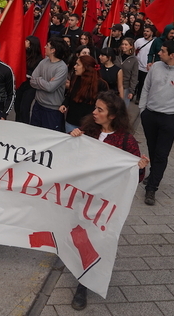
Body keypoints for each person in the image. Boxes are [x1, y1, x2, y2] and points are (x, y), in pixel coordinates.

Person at [68, 90, 149, 310]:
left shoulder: (126, 141)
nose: (94, 112)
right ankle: (80, 275)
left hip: (105, 201)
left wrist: (140, 168)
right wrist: (74, 139)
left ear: (112, 115)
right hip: (83, 196)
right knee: (80, 236)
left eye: (99, 110)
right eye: (95, 107)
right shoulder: (88, 131)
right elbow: (71, 158)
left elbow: (136, 178)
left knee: (95, 239)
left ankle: (83, 285)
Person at [139, 40, 174, 206]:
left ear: (172, 55)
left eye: (162, 51)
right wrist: (143, 110)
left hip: (169, 119)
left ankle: (152, 188)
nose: (159, 53)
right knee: (152, 148)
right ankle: (153, 173)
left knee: (162, 154)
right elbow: (146, 88)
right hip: (150, 116)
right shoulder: (156, 67)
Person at [30, 37, 69, 131]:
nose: (44, 47)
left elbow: (50, 88)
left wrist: (38, 80)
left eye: (47, 46)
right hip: (38, 106)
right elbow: (32, 81)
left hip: (52, 110)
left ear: (53, 50)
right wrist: (44, 81)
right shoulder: (43, 62)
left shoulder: (62, 68)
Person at [60, 55, 107, 133]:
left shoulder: (101, 84)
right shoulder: (75, 78)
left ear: (86, 67)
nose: (75, 67)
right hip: (71, 121)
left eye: (78, 64)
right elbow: (70, 94)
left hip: (89, 124)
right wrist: (64, 104)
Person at [14, 35, 43, 124]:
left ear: (32, 44)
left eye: (27, 41)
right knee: (17, 106)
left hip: (30, 86)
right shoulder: (23, 55)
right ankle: (17, 123)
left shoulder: (39, 59)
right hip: (21, 84)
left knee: (24, 108)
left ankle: (24, 125)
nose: (24, 42)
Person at [133, 25, 156, 102]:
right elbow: (133, 51)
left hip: (146, 68)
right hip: (137, 66)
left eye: (147, 31)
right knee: (134, 82)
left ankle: (139, 98)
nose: (145, 33)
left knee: (142, 84)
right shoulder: (139, 41)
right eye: (144, 31)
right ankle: (132, 94)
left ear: (152, 33)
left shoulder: (154, 43)